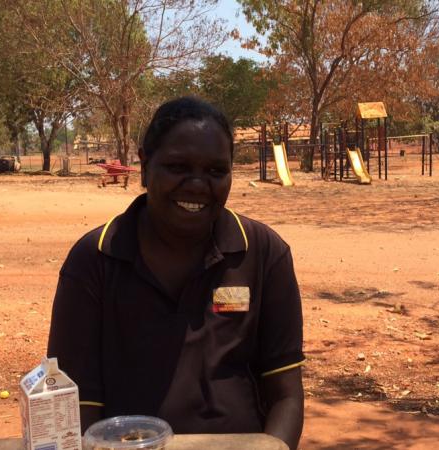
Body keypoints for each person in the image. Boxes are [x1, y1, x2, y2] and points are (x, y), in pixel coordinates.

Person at [47, 96, 304, 449]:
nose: (198, 185)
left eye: (216, 171)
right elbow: (78, 402)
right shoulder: (94, 260)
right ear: (145, 165)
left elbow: (285, 395)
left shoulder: (263, 254)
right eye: (178, 167)